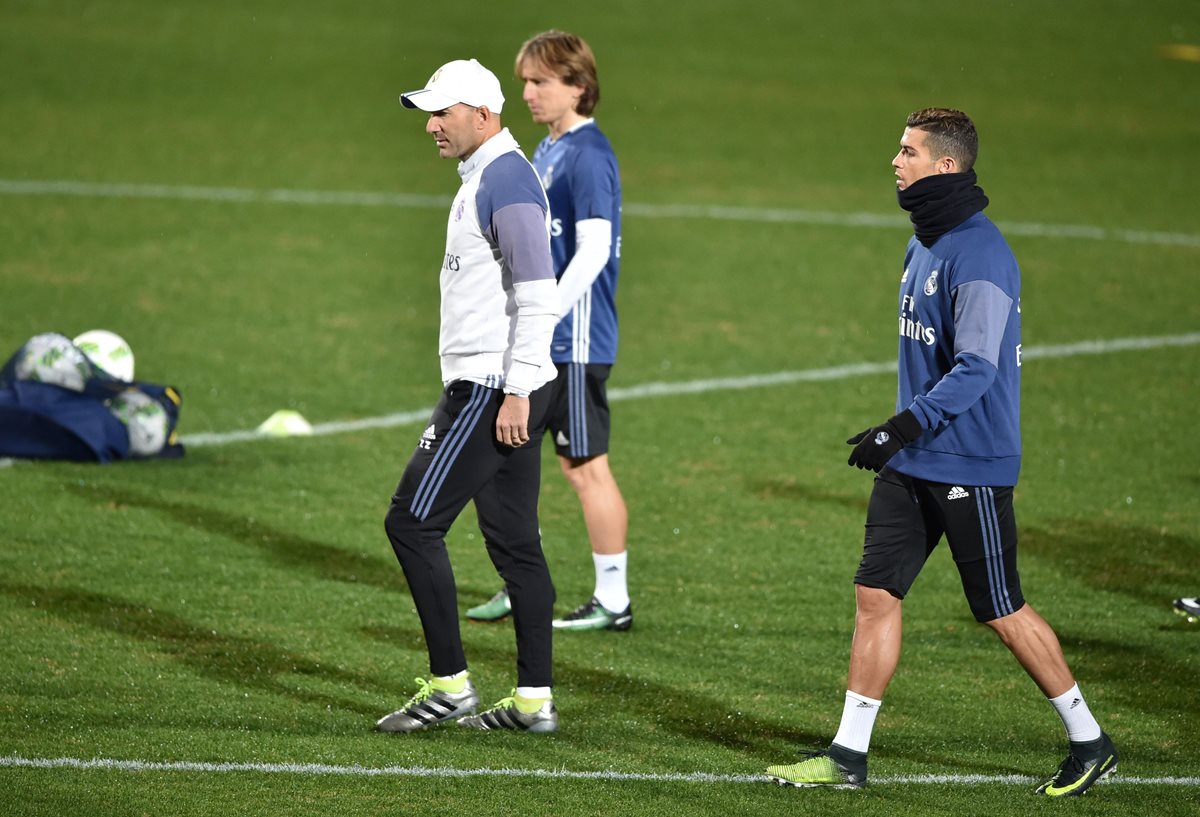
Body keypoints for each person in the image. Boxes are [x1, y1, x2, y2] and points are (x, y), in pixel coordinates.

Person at [767, 109, 1118, 796]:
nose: (894, 163)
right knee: (875, 592)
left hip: (969, 462)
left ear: (945, 165)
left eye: (907, 152)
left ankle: (1090, 738)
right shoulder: (923, 242)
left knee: (1001, 608)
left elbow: (979, 366)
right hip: (916, 459)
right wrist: (903, 437)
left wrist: (901, 426)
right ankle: (848, 753)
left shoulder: (980, 254)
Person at [376, 58, 560, 734]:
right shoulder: (488, 173)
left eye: (442, 113)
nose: (430, 125)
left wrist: (513, 393)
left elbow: (539, 294)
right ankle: (535, 701)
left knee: (411, 521)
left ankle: (450, 685)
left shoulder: (505, 178)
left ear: (482, 113)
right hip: (509, 383)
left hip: (491, 387)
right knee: (515, 542)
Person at [466, 30, 631, 633]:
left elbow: (591, 252)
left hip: (575, 341)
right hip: (543, 340)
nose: (528, 93)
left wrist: (544, 317)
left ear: (578, 86)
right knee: (513, 457)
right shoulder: (549, 149)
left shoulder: (589, 155)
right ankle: (521, 583)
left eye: (540, 82)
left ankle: (614, 600)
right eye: (525, 82)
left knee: (585, 466)